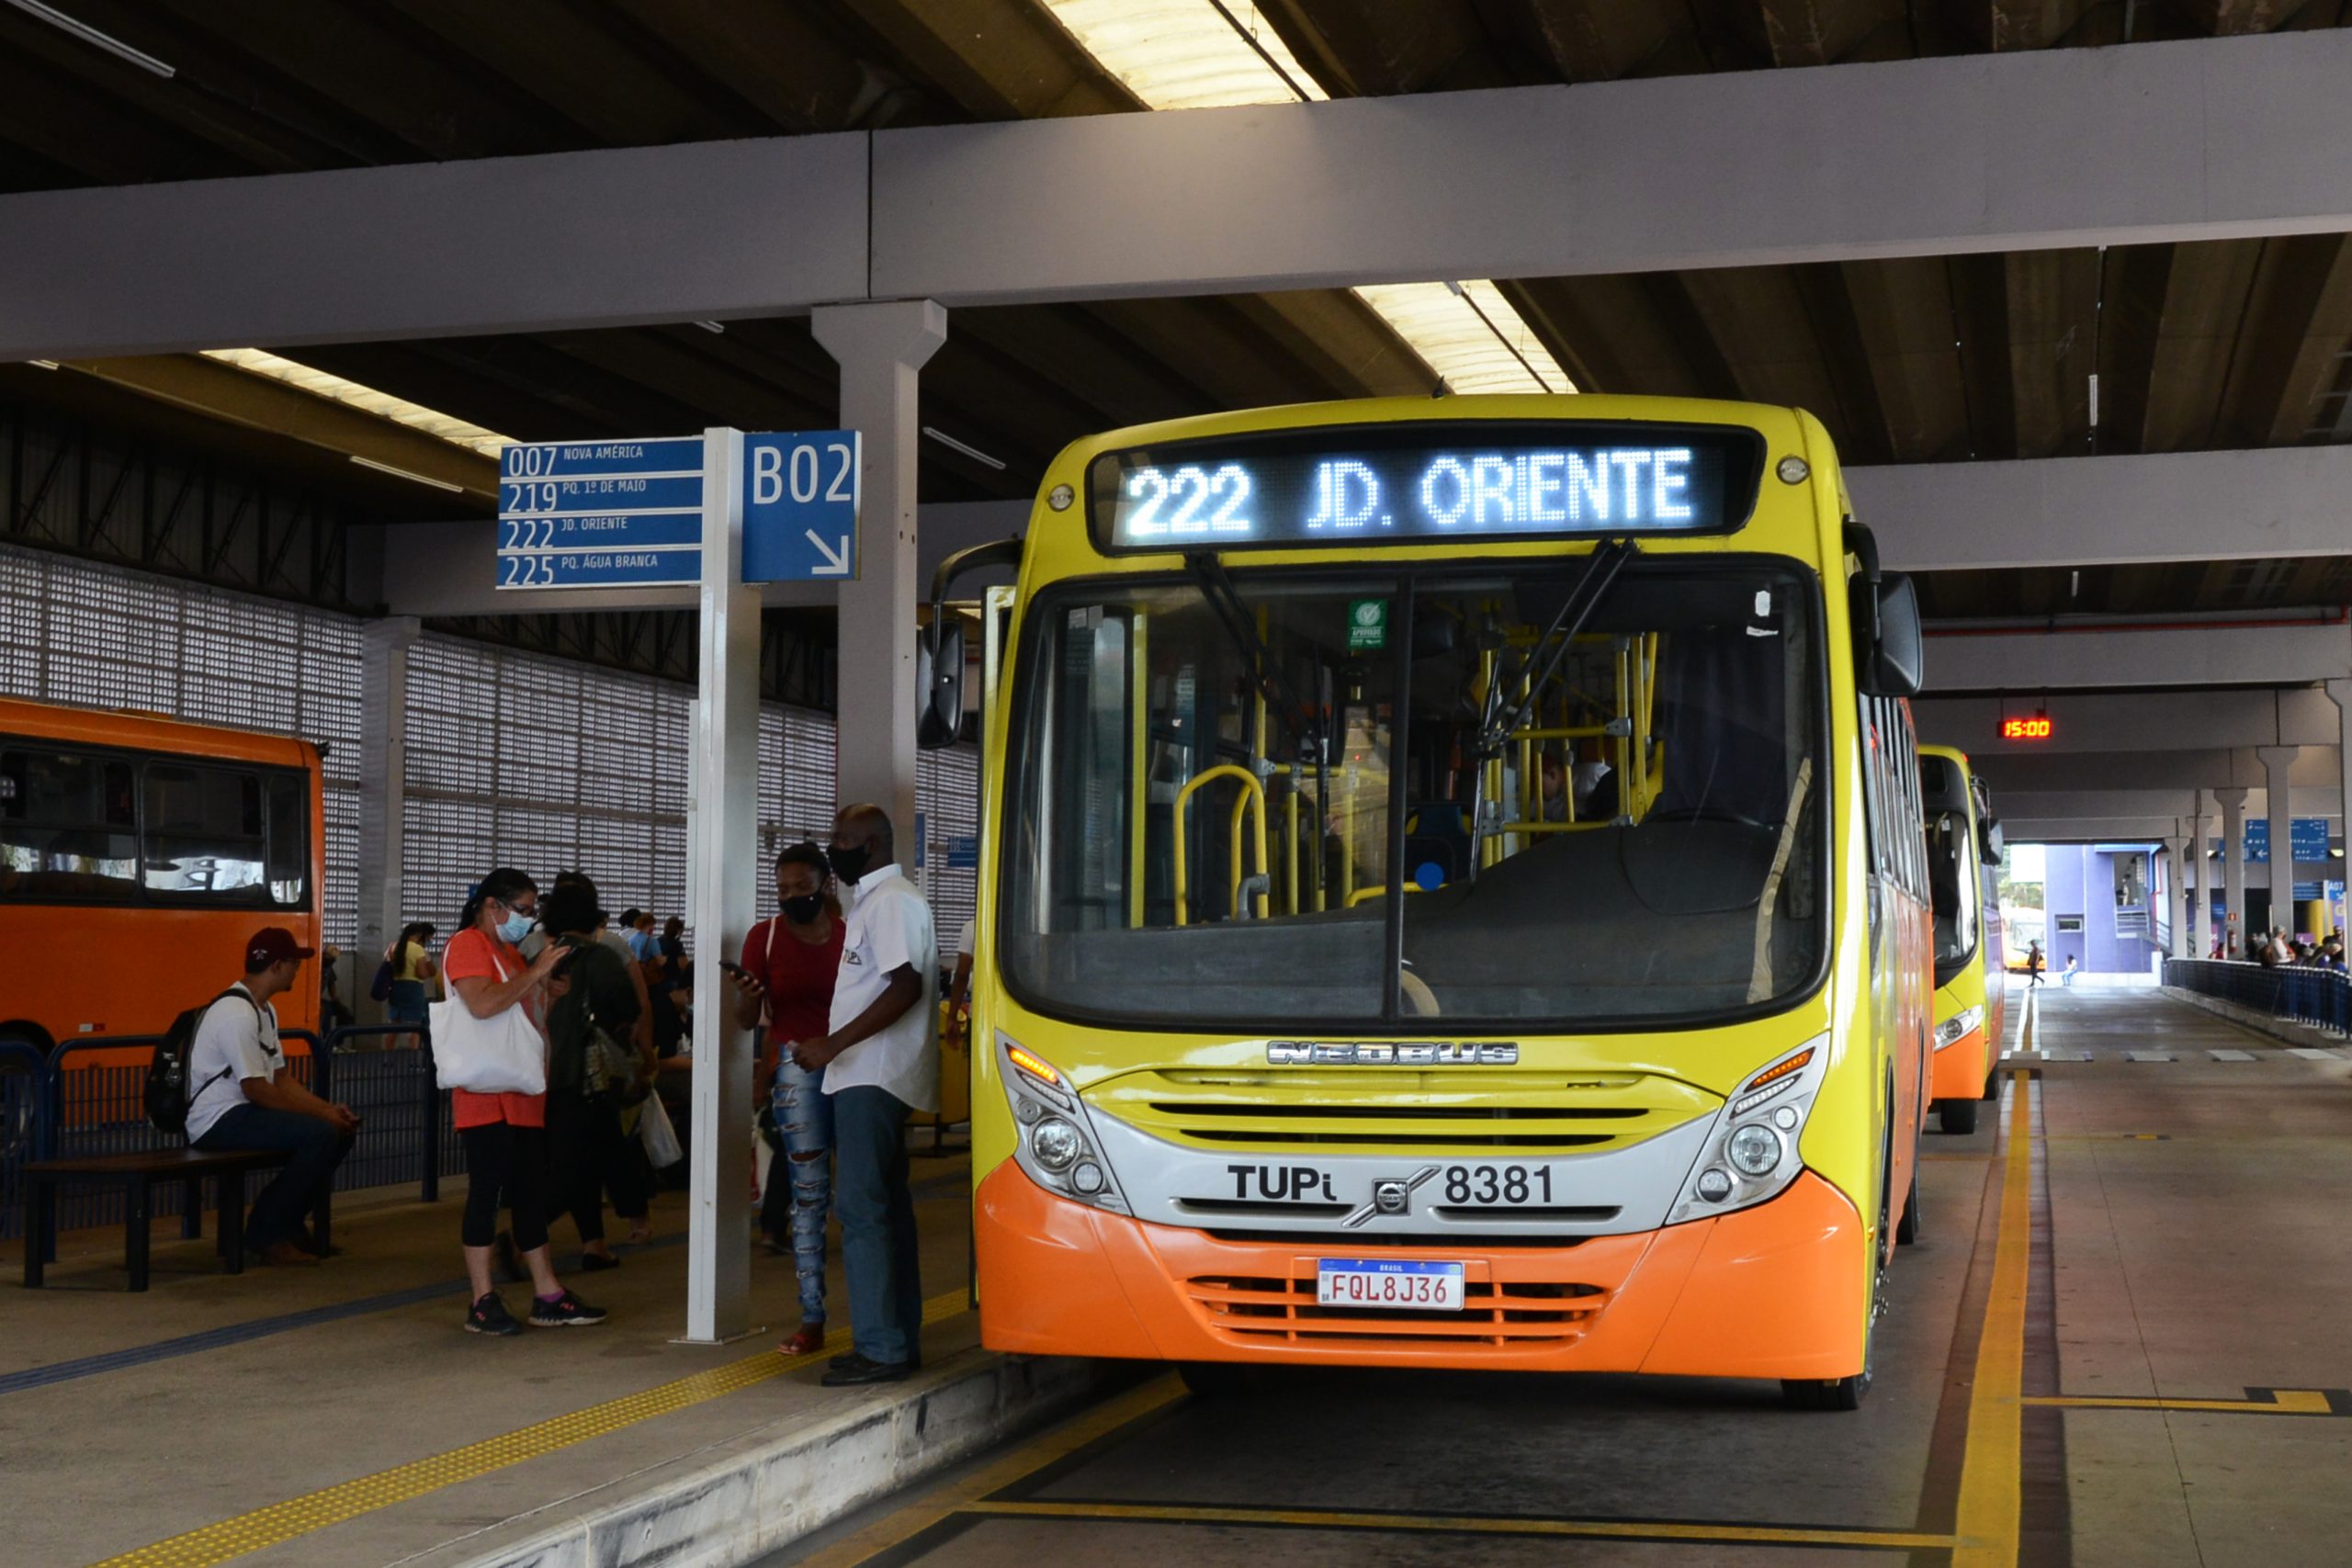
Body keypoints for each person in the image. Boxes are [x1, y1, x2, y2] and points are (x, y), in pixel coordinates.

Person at [791, 805, 938, 1386]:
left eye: (844, 840)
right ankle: (896, 1339)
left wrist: (832, 1044)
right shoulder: (875, 902)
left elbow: (907, 986)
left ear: (874, 843)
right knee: (884, 1209)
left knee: (860, 1208)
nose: (835, 849)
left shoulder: (892, 901)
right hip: (866, 1073)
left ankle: (880, 1347)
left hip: (871, 1075)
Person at [443, 868, 606, 1335]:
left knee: (530, 1196)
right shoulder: (468, 945)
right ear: (493, 906)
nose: (529, 919)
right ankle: (481, 1298)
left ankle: (548, 1292)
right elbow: (481, 1005)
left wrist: (548, 991)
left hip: (520, 1093)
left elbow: (523, 1020)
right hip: (485, 1095)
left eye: (533, 911)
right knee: (488, 1193)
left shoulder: (508, 952)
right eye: (524, 909)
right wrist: (535, 972)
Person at [187, 927, 359, 1266]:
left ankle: (287, 1224)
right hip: (216, 1119)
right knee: (320, 1134)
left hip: (241, 1111)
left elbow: (280, 1078)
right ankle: (267, 1233)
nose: (299, 969)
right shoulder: (236, 1014)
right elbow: (256, 1088)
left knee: (338, 1130)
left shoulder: (264, 1010)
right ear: (277, 966)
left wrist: (328, 1110)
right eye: (295, 963)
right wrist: (320, 1117)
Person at [734, 842, 845, 1356]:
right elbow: (745, 1020)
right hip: (796, 1071)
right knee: (808, 1196)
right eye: (782, 889)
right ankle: (812, 1316)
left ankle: (873, 1312)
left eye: (802, 887)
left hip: (854, 1066)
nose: (791, 897)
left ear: (825, 883)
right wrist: (750, 997)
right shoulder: (766, 936)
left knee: (865, 1194)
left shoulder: (851, 933)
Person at [538, 878, 652, 1271]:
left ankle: (595, 1244)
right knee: (581, 1164)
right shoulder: (600, 957)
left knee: (576, 1160)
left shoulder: (542, 956)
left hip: (544, 1073)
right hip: (588, 1076)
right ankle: (522, 1239)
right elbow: (627, 1006)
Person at [386, 922, 438, 1034]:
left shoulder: (393, 946)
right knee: (415, 1028)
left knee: (393, 1026)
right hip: (414, 990)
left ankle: (387, 1051)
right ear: (419, 935)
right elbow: (423, 973)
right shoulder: (418, 949)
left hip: (395, 988)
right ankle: (415, 1051)